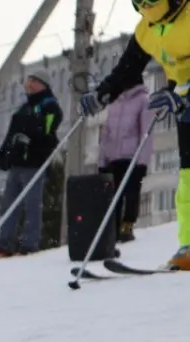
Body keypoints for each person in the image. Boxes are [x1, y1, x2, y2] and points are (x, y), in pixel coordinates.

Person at [80, 0, 188, 268]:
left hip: (184, 96)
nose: (144, 4)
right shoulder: (147, 29)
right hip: (183, 100)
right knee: (189, 176)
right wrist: (102, 93)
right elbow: (127, 70)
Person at [0, 72, 64, 257]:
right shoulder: (24, 108)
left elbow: (47, 133)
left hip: (34, 162)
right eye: (28, 81)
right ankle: (4, 241)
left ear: (42, 84)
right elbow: (12, 132)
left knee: (32, 204)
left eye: (33, 81)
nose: (29, 85)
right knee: (9, 203)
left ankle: (30, 243)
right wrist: (4, 152)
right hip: (18, 162)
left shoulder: (49, 106)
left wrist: (31, 140)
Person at [97, 79, 155, 244]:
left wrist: (142, 162)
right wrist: (102, 160)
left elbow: (147, 133)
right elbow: (106, 133)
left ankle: (127, 225)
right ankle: (111, 230)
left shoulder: (143, 100)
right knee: (112, 196)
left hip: (131, 157)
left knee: (130, 192)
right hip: (113, 157)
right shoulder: (115, 101)